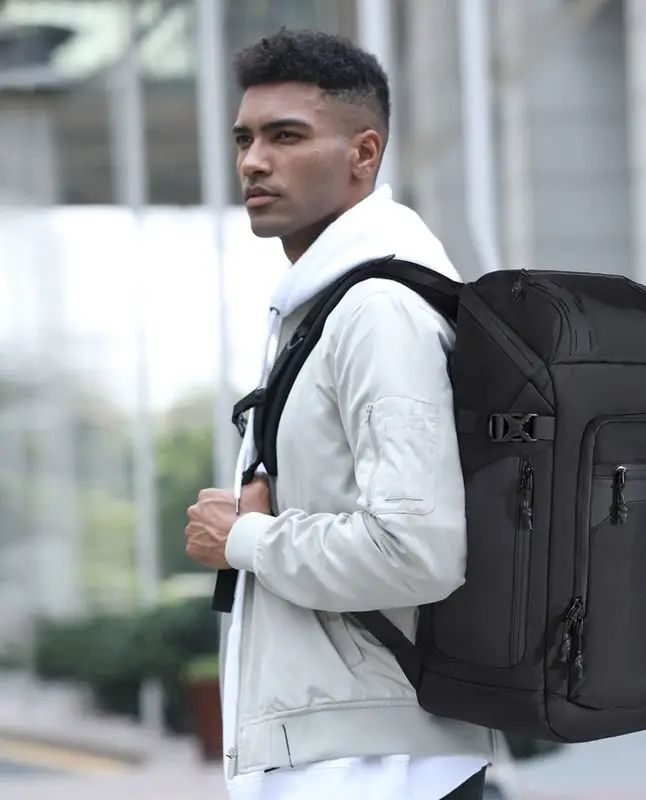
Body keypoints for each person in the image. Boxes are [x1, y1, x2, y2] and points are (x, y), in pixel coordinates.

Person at [184, 29, 496, 799]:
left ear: (364, 153)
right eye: (245, 138)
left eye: (286, 136)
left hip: (375, 768)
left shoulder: (378, 312)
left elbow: (418, 550)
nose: (254, 161)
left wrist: (245, 538)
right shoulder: (323, 308)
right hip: (345, 751)